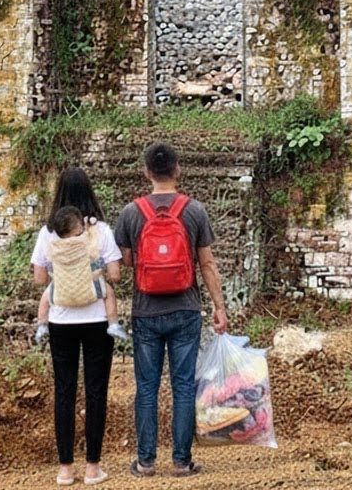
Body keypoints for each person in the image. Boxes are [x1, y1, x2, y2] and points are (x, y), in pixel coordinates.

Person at [114, 142, 228, 479]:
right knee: (183, 385)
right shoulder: (194, 211)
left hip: (146, 311)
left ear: (146, 172)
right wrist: (219, 307)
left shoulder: (131, 212)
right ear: (177, 170)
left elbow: (127, 262)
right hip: (186, 308)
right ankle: (181, 461)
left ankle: (146, 462)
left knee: (147, 387)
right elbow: (207, 264)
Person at [31, 168, 121, 487]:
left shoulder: (48, 233)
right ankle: (93, 467)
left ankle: (65, 469)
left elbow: (39, 277)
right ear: (90, 192)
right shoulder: (101, 230)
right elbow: (115, 274)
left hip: (60, 320)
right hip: (97, 320)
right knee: (96, 391)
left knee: (64, 391)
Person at [34, 208, 130, 343]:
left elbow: (39, 279)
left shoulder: (53, 243)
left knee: (46, 297)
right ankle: (113, 324)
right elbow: (114, 275)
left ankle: (42, 324)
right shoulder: (89, 237)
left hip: (61, 294)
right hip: (93, 301)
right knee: (108, 293)